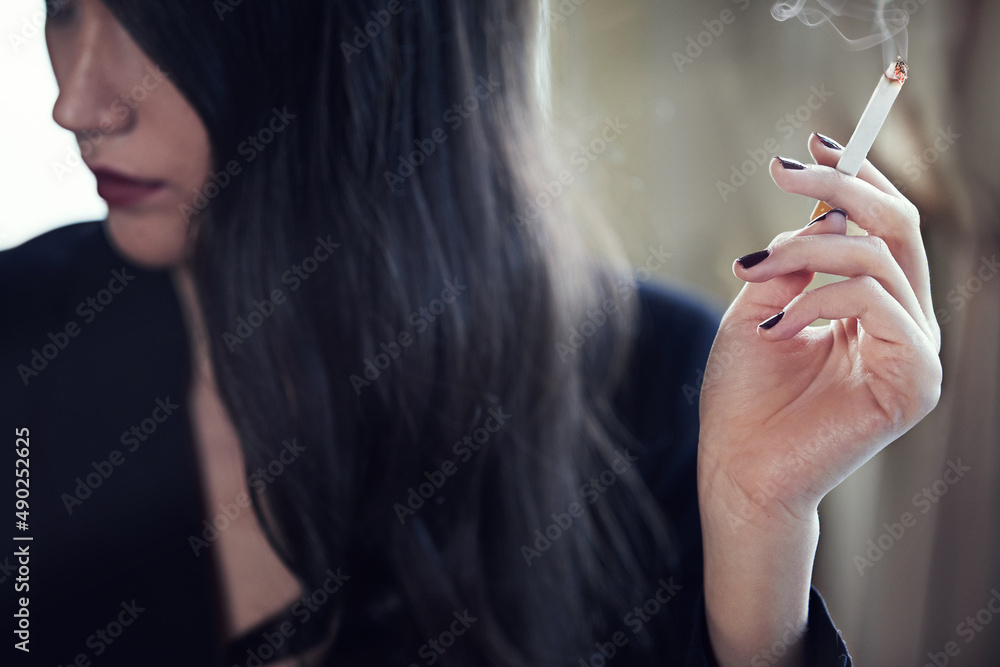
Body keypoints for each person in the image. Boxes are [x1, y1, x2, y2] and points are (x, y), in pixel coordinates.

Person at [0, 0, 941, 665]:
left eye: (158, 14)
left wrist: (757, 545)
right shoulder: (24, 332)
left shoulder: (660, 384)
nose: (77, 104)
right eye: (62, 7)